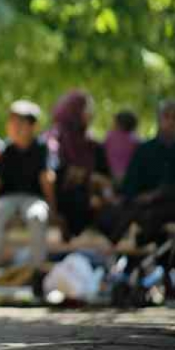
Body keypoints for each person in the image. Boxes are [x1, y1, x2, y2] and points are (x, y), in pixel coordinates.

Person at [0, 100, 55, 271]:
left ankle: (38, 267)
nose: (14, 128)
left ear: (32, 126)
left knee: (37, 215)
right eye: (12, 123)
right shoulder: (6, 148)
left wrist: (53, 208)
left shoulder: (42, 148)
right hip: (8, 197)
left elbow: (47, 179)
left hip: (33, 198)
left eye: (20, 123)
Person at [45, 91, 113, 240]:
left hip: (93, 202)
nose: (90, 115)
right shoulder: (54, 140)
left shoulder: (93, 145)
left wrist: (94, 182)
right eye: (86, 110)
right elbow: (52, 174)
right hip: (62, 203)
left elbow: (106, 178)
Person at [121, 100, 175, 202]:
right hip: (144, 211)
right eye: (166, 116)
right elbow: (128, 189)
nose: (171, 122)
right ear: (159, 120)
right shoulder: (143, 151)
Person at [104, 110, 140, 184]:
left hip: (110, 175)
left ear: (120, 123)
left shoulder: (110, 136)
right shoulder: (135, 139)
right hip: (129, 177)